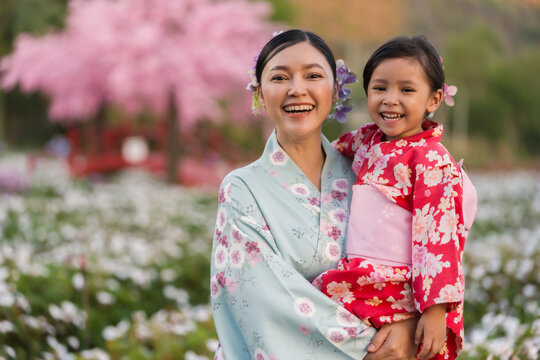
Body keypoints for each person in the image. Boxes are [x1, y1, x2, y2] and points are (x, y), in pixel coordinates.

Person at [210, 29, 419, 360]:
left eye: (313, 75)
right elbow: (262, 296)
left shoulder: (368, 174)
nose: (297, 89)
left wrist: (410, 326)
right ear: (259, 93)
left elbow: (420, 256)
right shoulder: (242, 188)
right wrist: (371, 346)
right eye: (280, 77)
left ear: (335, 89)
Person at [315, 35, 477, 360]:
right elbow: (326, 155)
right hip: (361, 270)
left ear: (433, 100)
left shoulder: (431, 159)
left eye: (406, 90)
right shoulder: (366, 139)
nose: (390, 99)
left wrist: (434, 310)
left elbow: (437, 237)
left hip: (397, 282)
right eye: (380, 88)